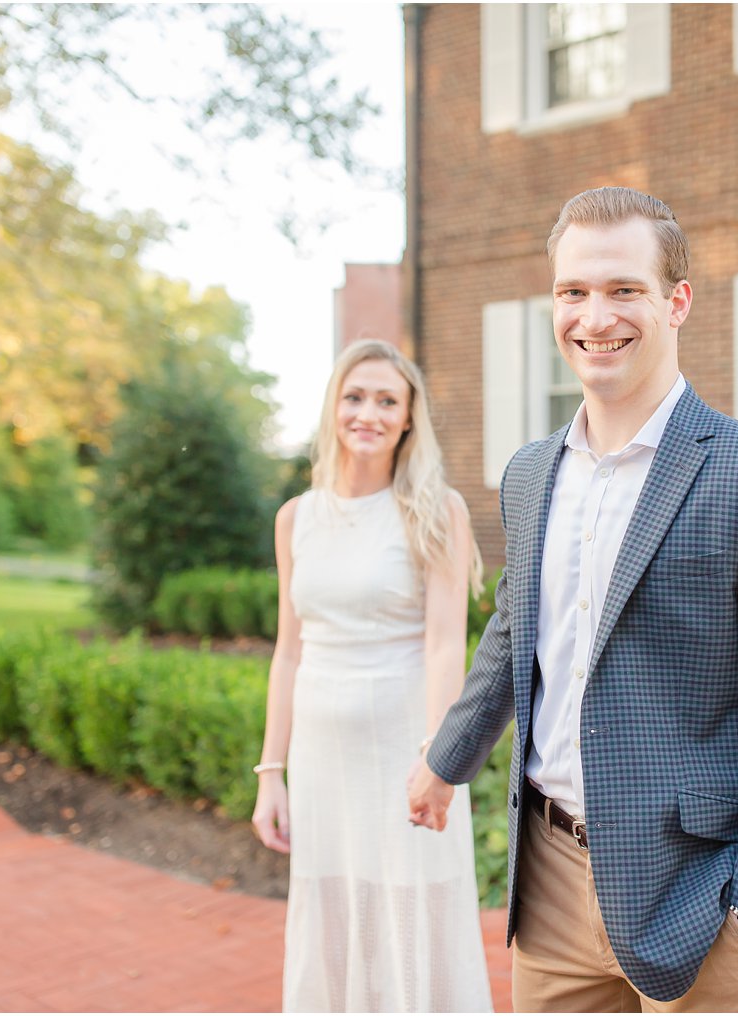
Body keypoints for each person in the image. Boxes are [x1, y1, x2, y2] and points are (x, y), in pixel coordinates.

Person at [407, 187, 738, 1012]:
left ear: (677, 301)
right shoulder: (530, 473)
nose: (594, 316)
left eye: (624, 290)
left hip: (702, 894)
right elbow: (515, 634)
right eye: (573, 291)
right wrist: (447, 761)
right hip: (546, 882)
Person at [252, 339, 493, 1012]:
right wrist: (271, 774)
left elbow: (446, 645)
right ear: (334, 407)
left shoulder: (437, 510)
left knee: (412, 912)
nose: (369, 413)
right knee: (332, 911)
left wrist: (435, 761)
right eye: (355, 396)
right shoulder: (295, 518)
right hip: (322, 760)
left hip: (403, 751)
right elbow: (288, 652)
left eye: (388, 400)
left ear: (409, 417)